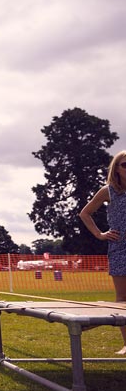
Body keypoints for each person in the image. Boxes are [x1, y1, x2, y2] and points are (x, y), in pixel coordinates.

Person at [80, 150, 126, 355]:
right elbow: (85, 213)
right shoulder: (108, 191)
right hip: (119, 248)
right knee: (123, 299)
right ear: (117, 168)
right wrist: (100, 234)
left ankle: (99, 313)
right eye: (125, 165)